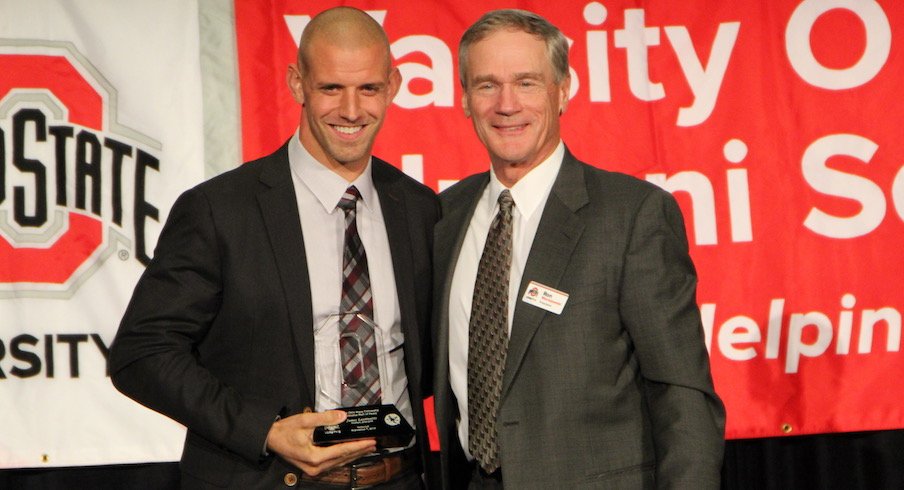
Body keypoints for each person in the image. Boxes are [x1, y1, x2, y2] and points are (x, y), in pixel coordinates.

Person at [109, 7, 437, 489]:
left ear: (393, 85)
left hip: (399, 478)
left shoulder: (419, 208)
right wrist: (264, 430)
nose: (351, 110)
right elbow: (141, 353)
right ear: (297, 83)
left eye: (368, 88)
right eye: (330, 88)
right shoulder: (219, 210)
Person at [432, 9, 725, 489]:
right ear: (464, 98)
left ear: (563, 90)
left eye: (527, 83)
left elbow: (682, 397)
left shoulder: (633, 216)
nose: (506, 104)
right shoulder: (443, 216)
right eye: (487, 85)